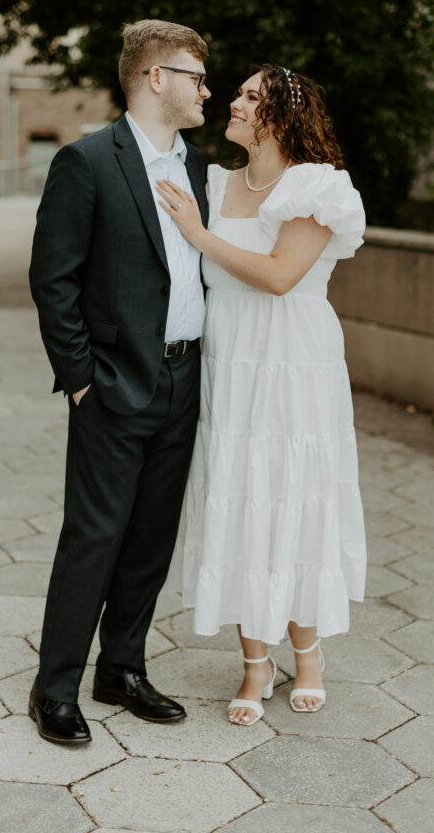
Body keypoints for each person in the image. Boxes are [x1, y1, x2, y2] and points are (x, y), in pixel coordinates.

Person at [157, 63, 366, 725]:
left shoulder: (315, 186)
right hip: (233, 362)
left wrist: (198, 236)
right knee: (238, 499)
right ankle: (253, 664)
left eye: (252, 96)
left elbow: (279, 276)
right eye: (239, 93)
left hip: (294, 361)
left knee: (295, 498)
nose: (235, 103)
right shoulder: (215, 184)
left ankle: (307, 657)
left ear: (281, 114)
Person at [27, 19, 211, 745]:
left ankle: (122, 669)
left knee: (150, 538)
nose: (206, 89)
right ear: (154, 77)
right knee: (94, 535)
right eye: (196, 75)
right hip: (111, 382)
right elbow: (54, 279)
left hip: (184, 377)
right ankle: (57, 688)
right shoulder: (86, 162)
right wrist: (80, 380)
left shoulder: (198, 168)